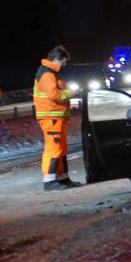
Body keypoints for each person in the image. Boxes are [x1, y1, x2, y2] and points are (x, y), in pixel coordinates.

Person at [34, 45, 81, 191]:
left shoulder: (52, 73)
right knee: (53, 148)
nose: (64, 65)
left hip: (56, 116)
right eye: (63, 62)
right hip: (51, 117)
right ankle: (49, 181)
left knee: (61, 148)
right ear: (56, 59)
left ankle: (63, 178)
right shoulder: (47, 74)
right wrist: (71, 93)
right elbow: (54, 95)